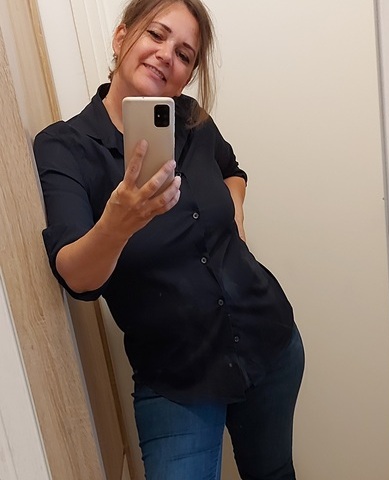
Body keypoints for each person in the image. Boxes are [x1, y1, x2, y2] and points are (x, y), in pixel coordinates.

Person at [34, 0, 304, 478]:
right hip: (174, 380)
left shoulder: (192, 119)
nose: (166, 55)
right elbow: (76, 276)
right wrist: (118, 223)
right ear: (121, 37)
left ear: (187, 76)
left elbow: (232, 170)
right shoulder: (65, 147)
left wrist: (236, 211)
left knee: (274, 472)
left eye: (184, 54)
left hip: (266, 340)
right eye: (156, 35)